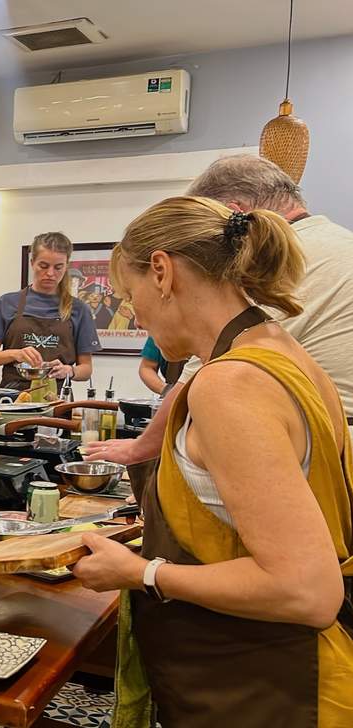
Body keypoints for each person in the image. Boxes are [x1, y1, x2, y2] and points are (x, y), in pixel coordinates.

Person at [71, 196, 353, 726]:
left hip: (268, 691)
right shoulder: (285, 352)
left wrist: (143, 572)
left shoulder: (229, 385)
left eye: (132, 298)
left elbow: (306, 590)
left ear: (162, 271)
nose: (139, 316)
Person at [86, 154, 353, 466]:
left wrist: (139, 448)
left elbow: (200, 372)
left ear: (232, 215)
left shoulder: (293, 259)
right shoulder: (339, 241)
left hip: (318, 449)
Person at [0, 232, 99, 391]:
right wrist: (16, 354)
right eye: (43, 266)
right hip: (12, 399)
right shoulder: (7, 303)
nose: (50, 273)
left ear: (66, 266)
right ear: (32, 262)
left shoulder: (79, 309)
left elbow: (86, 369)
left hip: (57, 401)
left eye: (58, 267)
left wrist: (69, 371)